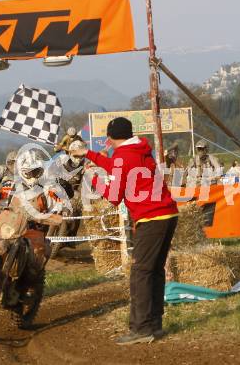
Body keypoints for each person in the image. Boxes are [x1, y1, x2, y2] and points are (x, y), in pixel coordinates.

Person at [71, 117, 178, 345]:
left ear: (110, 137)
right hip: (168, 213)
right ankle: (154, 324)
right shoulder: (139, 149)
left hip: (151, 217)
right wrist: (89, 154)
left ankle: (140, 328)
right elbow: (117, 165)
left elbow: (113, 196)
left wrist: (94, 180)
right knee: (154, 271)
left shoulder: (121, 157)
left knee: (140, 273)